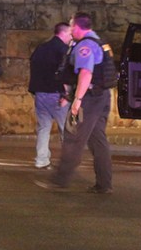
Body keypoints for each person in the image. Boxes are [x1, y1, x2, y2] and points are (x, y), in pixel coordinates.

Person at [36, 12, 113, 194]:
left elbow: (86, 73)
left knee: (73, 137)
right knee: (98, 140)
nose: (70, 31)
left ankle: (60, 180)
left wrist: (77, 100)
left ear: (78, 27)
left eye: (72, 27)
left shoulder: (85, 45)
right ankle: (104, 183)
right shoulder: (100, 43)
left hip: (89, 98)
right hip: (102, 96)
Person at [29, 22, 72, 170]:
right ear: (64, 33)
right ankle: (67, 161)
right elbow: (65, 73)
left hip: (40, 93)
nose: (71, 37)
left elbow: (34, 69)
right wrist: (67, 94)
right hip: (57, 94)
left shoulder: (40, 49)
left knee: (43, 127)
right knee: (65, 129)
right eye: (70, 34)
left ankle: (41, 159)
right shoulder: (64, 50)